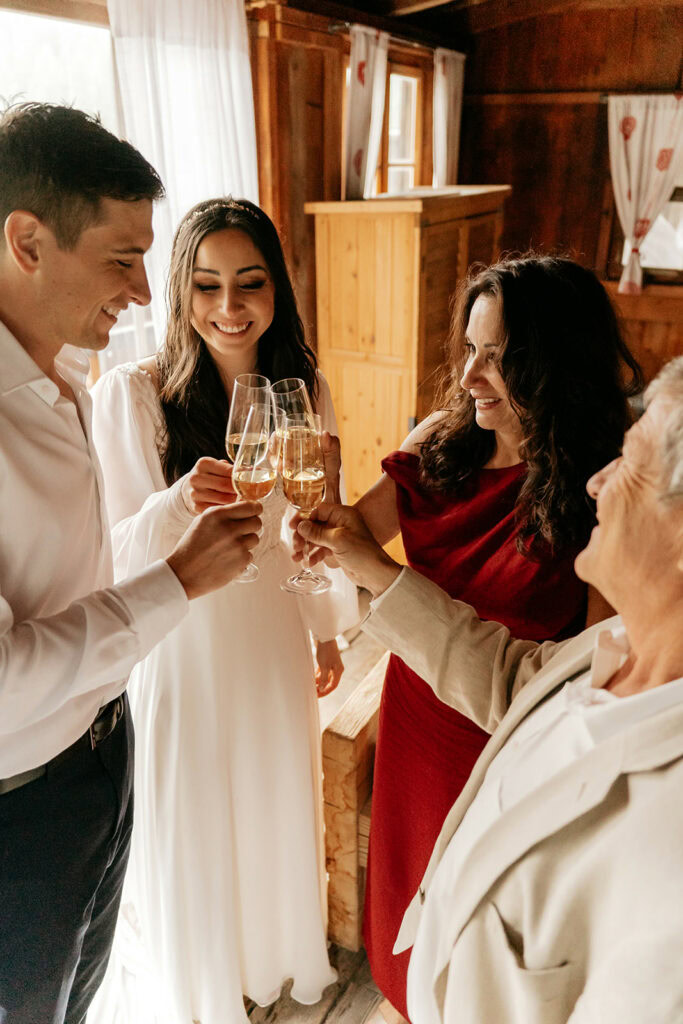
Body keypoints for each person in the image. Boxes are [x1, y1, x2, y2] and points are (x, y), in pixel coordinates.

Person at [297, 355, 683, 1023]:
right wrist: (369, 566)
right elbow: (510, 677)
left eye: (628, 464)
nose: (596, 483)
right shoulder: (608, 648)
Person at [0, 104, 262, 1024]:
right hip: (17, 812)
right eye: (122, 260)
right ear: (27, 241)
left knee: (77, 1001)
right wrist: (180, 580)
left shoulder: (63, 378)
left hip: (103, 760)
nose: (147, 293)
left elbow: (79, 562)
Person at [88, 197, 358, 1023]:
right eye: (206, 286)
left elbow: (317, 522)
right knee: (195, 807)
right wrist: (177, 502)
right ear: (180, 291)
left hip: (272, 623)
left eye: (250, 283)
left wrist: (323, 627)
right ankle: (203, 977)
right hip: (182, 635)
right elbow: (113, 556)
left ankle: (269, 954)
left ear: (277, 287)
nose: (229, 308)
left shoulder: (302, 387)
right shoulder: (132, 395)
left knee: (273, 787)